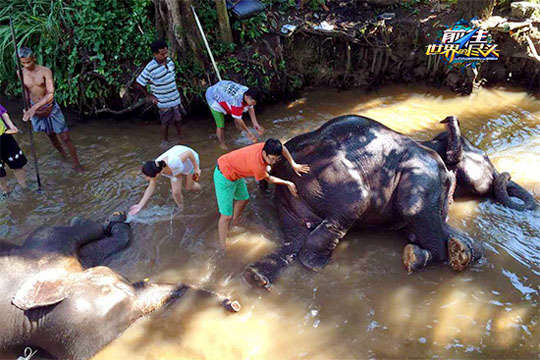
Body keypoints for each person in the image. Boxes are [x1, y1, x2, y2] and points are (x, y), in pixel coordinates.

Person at [214, 138, 309, 250]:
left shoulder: (268, 147)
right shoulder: (258, 166)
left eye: (276, 159)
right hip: (224, 175)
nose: (273, 162)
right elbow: (268, 179)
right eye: (272, 159)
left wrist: (293, 164)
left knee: (244, 199)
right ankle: (222, 246)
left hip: (235, 172)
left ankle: (236, 221)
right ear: (264, 153)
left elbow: (282, 148)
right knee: (226, 216)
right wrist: (288, 183)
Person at [18, 47, 84, 172]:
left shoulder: (45, 71)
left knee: (65, 137)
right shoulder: (20, 73)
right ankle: (63, 156)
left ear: (34, 58)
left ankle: (77, 163)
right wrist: (26, 107)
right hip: (35, 109)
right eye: (23, 63)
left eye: (29, 62)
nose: (27, 65)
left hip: (50, 107)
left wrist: (33, 109)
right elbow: (26, 91)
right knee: (50, 135)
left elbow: (50, 94)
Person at [136, 40, 184, 147]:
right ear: (155, 54)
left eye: (166, 53)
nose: (165, 56)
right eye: (162, 54)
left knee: (178, 119)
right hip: (163, 100)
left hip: (175, 98)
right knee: (165, 121)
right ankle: (165, 141)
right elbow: (139, 83)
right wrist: (149, 95)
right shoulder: (150, 67)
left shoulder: (170, 61)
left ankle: (181, 139)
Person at [129, 145, 201, 215]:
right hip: (176, 170)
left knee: (189, 187)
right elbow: (151, 187)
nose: (146, 178)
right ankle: (181, 208)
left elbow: (189, 153)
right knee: (176, 193)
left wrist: (196, 168)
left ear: (157, 174)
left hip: (190, 162)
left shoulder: (173, 161)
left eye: (148, 177)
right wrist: (140, 205)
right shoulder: (155, 168)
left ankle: (202, 190)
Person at [205, 80, 265, 150]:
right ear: (247, 97)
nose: (254, 104)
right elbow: (238, 119)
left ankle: (240, 130)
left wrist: (255, 123)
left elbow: (250, 107)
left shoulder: (246, 90)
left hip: (222, 88)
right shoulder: (236, 102)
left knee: (237, 113)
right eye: (253, 102)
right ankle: (222, 144)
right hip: (212, 97)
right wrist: (249, 133)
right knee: (220, 125)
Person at [0, 104, 27, 197]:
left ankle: (24, 187)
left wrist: (12, 126)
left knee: (17, 163)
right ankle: (5, 192)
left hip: (4, 136)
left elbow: (3, 112)